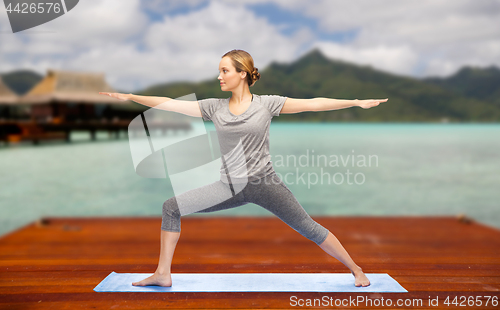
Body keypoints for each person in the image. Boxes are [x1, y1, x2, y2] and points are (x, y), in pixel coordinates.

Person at [99, 49, 388, 288]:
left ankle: (356, 269)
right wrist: (132, 97)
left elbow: (313, 104)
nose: (219, 76)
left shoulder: (267, 104)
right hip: (228, 187)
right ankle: (163, 274)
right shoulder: (214, 108)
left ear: (243, 74)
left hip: (265, 184)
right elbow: (170, 104)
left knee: (308, 228)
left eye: (225, 70)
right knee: (171, 207)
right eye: (219, 70)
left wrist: (355, 102)